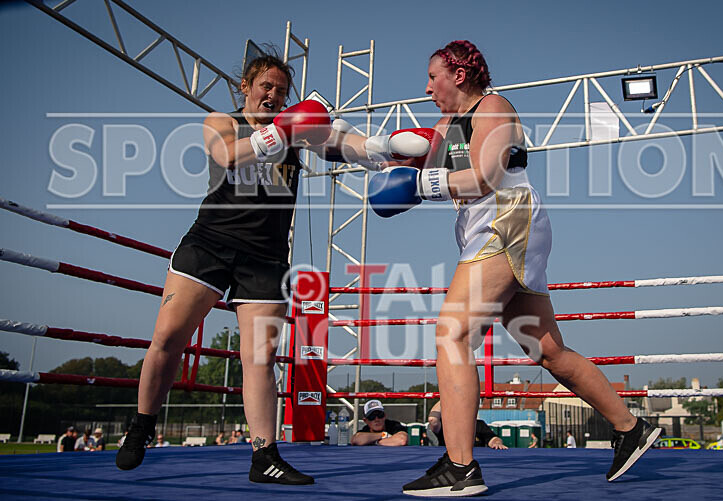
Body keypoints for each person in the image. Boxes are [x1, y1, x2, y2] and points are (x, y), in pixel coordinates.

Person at [359, 40, 661, 496]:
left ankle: (460, 466)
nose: (426, 87)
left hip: (506, 219)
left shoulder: (494, 107)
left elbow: (484, 175)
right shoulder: (445, 126)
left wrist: (417, 183)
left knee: (453, 333)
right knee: (546, 350)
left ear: (458, 75)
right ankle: (629, 427)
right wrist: (351, 146)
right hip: (484, 226)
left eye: (432, 76)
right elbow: (408, 164)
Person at [116, 45, 338, 486]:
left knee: (260, 358)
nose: (273, 94)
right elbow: (225, 156)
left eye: (281, 89)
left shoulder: (297, 133)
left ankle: (264, 456)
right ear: (246, 87)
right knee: (166, 338)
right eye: (265, 86)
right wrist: (282, 132)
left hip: (266, 257)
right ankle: (141, 426)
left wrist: (386, 148)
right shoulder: (223, 122)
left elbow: (344, 146)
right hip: (211, 244)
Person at [427, 401, 507, 450]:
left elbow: (493, 438)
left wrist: (497, 443)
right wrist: (445, 396)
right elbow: (432, 420)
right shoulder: (446, 425)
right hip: (450, 461)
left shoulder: (478, 424)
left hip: (476, 461)